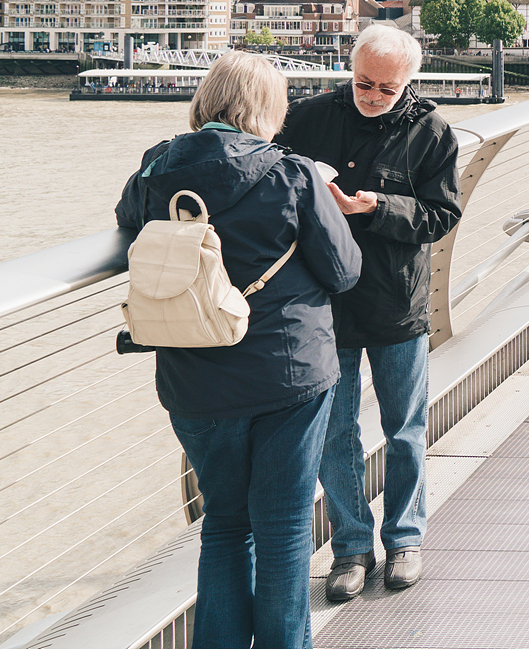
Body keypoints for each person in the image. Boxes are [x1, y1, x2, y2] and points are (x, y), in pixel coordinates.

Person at [118, 52, 361, 649]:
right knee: (284, 528)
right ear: (269, 108)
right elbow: (343, 270)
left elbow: (128, 224)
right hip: (289, 375)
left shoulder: (155, 168)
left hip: (194, 374)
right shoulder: (293, 173)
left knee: (225, 525)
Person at [276, 24, 462, 603]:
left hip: (395, 301)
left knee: (404, 428)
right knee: (335, 432)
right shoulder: (305, 118)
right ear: (348, 70)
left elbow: (441, 216)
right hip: (322, 302)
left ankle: (405, 539)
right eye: (363, 84)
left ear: (409, 82)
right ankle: (351, 547)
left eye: (387, 88)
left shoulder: (433, 131)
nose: (374, 96)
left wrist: (376, 206)